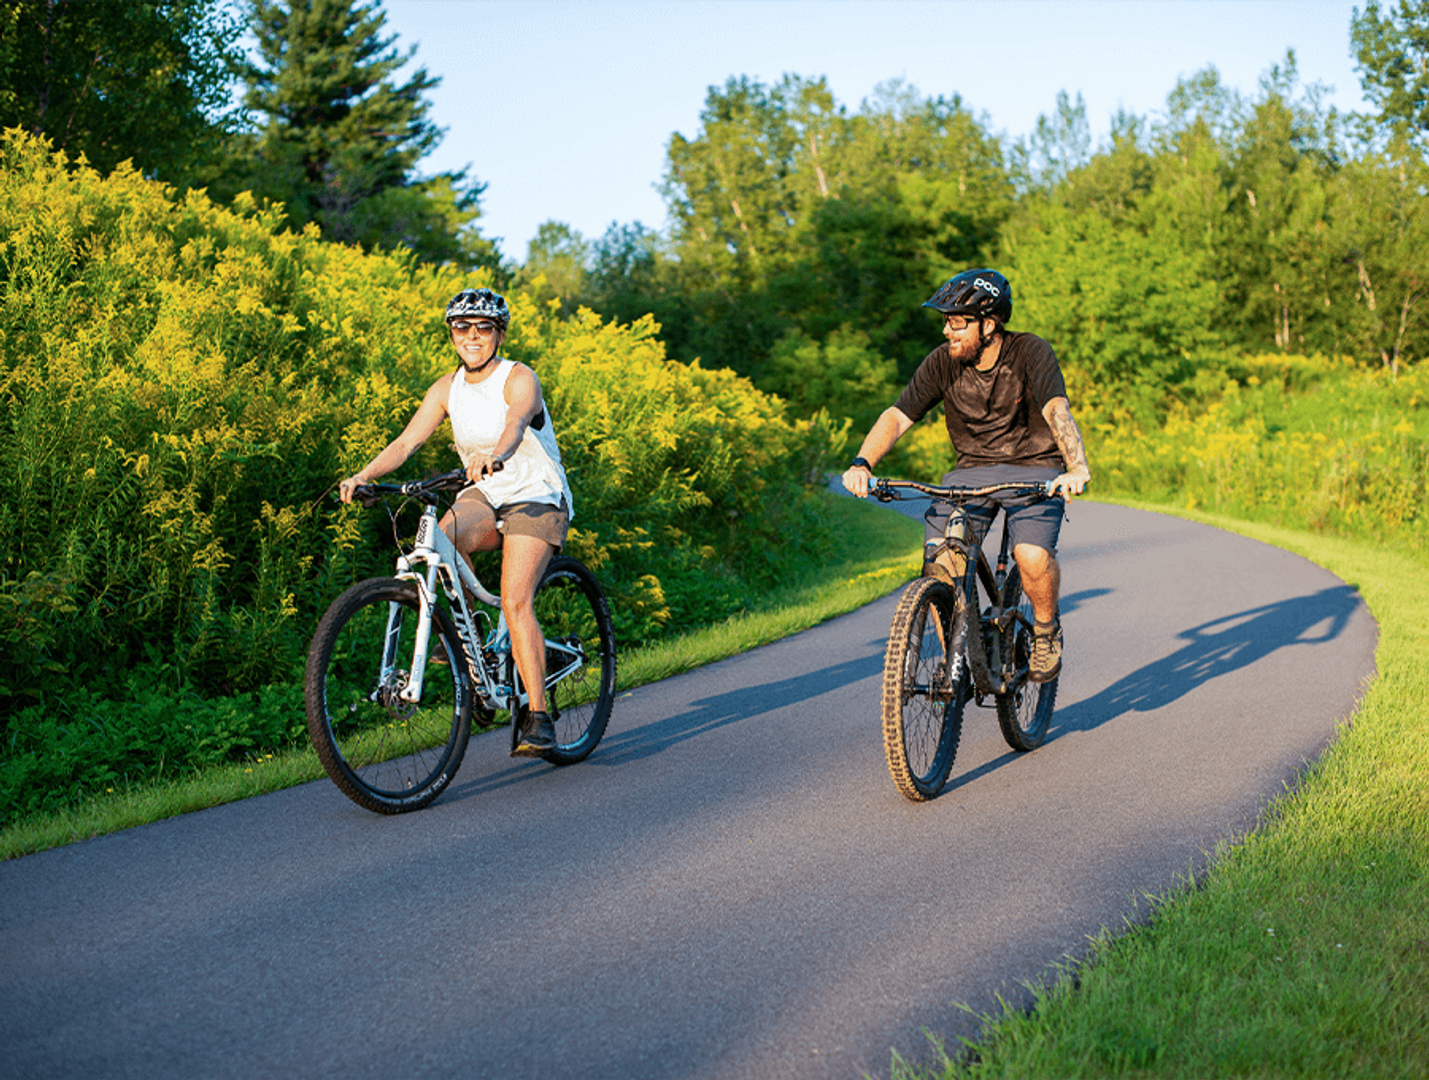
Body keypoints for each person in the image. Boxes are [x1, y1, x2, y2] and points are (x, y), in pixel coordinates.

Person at [339, 288, 574, 756]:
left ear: (499, 334)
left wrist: (496, 455)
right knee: (439, 540)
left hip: (535, 494)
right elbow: (406, 443)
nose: (472, 336)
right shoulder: (446, 388)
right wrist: (364, 475)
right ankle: (474, 652)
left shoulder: (518, 377)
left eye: (483, 327)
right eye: (461, 327)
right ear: (451, 334)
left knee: (515, 599)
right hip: (486, 493)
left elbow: (516, 422)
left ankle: (538, 716)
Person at [841, 269, 1091, 682]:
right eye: (946, 322)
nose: (947, 331)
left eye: (957, 322)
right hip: (970, 471)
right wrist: (862, 463)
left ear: (988, 325)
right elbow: (898, 416)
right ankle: (959, 653)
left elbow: (1055, 409)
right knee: (941, 560)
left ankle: (1046, 633)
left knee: (1030, 556)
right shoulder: (943, 362)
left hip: (1036, 466)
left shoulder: (1030, 352)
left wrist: (1076, 466)